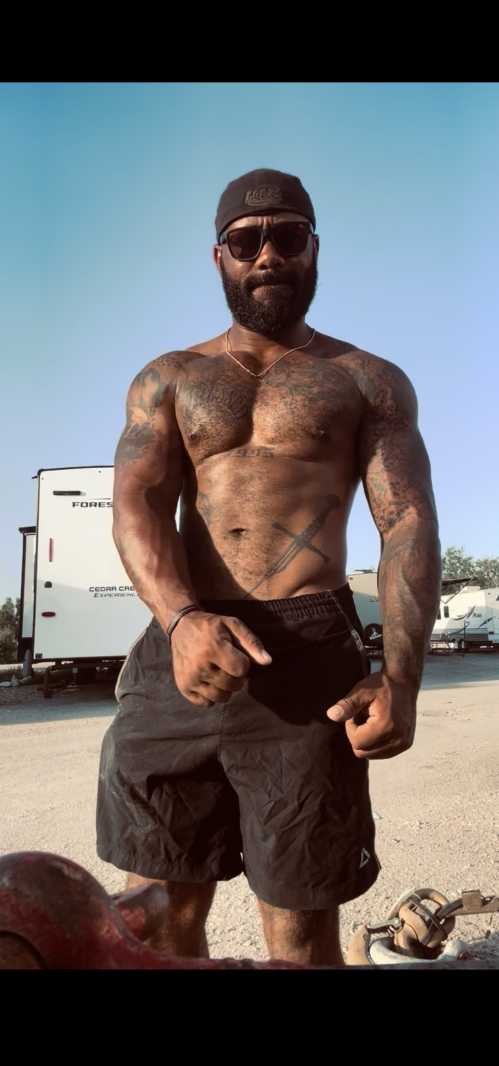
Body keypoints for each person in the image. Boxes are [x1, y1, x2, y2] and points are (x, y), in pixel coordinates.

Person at [97, 168, 441, 965]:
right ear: (217, 255)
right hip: (181, 648)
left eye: (287, 237)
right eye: (245, 240)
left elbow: (406, 521)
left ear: (313, 247)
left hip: (307, 648)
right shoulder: (168, 378)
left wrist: (402, 677)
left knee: (298, 926)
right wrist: (181, 620)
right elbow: (136, 503)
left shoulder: (367, 380)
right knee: (157, 912)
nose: (267, 256)